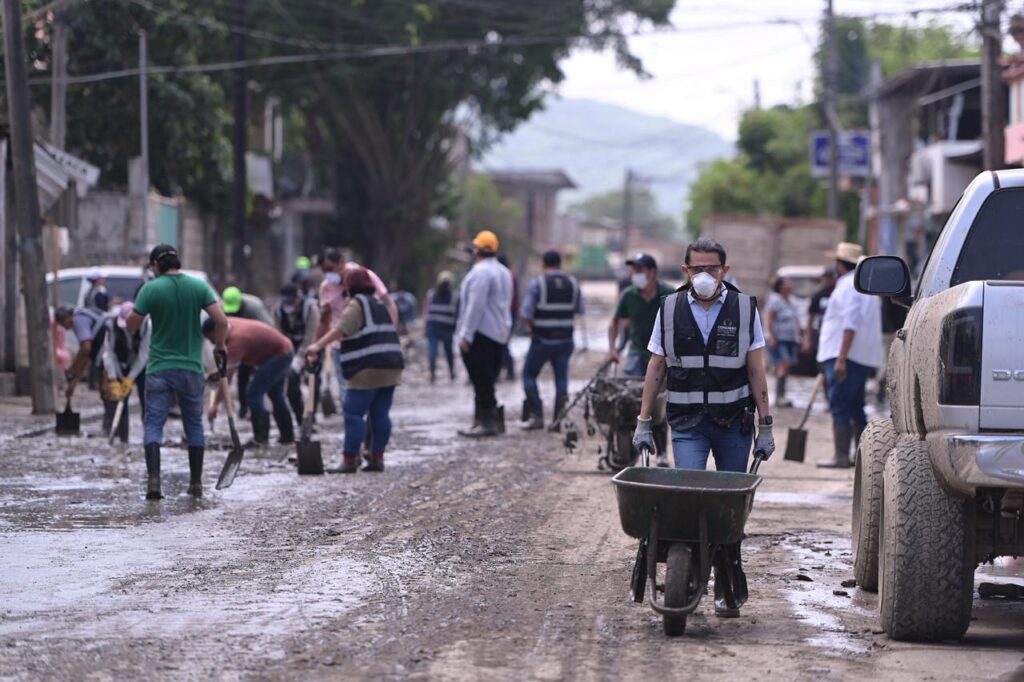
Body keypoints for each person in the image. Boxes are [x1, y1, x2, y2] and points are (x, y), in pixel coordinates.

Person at [632, 237, 774, 618]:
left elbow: (756, 369)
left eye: (713, 268)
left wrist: (766, 425)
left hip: (733, 425)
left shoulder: (745, 309)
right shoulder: (670, 307)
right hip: (687, 423)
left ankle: (727, 584)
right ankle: (691, 574)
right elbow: (656, 367)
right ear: (686, 271)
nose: (706, 275)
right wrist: (644, 421)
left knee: (729, 512)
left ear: (725, 271)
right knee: (689, 500)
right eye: (698, 269)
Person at [125, 244, 228, 500]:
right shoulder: (199, 287)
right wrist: (220, 346)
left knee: (153, 424)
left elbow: (131, 326)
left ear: (156, 266)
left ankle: (154, 482)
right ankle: (195, 484)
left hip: (159, 368)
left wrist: (137, 312)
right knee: (194, 424)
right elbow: (222, 321)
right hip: (192, 368)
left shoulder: (150, 289)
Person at [306, 267, 404, 473]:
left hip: (367, 367)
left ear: (349, 286)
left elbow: (341, 329)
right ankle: (377, 458)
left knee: (353, 413)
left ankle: (349, 460)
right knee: (380, 414)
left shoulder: (357, 304)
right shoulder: (379, 303)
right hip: (391, 365)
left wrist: (316, 346)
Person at [815, 242, 883, 469]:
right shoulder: (864, 285)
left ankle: (841, 455)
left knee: (840, 404)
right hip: (859, 356)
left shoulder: (848, 286)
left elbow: (850, 324)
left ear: (839, 264)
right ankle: (863, 457)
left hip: (845, 355)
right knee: (855, 405)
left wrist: (841, 358)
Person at [316, 248, 398, 401]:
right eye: (324, 271)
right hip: (341, 348)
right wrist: (317, 347)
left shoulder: (363, 277)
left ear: (341, 262)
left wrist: (391, 332)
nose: (328, 274)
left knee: (370, 395)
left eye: (330, 269)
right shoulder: (327, 287)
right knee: (346, 393)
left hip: (368, 345)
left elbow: (389, 303)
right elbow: (325, 322)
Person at [203, 317, 296, 447]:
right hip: (281, 350)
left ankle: (261, 438)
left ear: (218, 331)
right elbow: (225, 370)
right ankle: (287, 437)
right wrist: (219, 372)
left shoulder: (237, 341)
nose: (213, 343)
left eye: (212, 339)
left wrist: (215, 405)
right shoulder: (225, 323)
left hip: (280, 355)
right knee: (276, 395)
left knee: (253, 394)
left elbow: (226, 378)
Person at [456, 230, 513, 438]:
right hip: (498, 333)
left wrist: (466, 335)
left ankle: (486, 422)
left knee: (481, 380)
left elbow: (475, 306)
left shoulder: (479, 273)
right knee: (487, 379)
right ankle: (483, 420)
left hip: (481, 333)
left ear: (477, 250)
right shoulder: (504, 272)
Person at [520, 249, 584, 430]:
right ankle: (557, 421)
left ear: (543, 264)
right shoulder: (572, 283)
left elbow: (526, 313)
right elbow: (580, 309)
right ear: (560, 264)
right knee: (561, 380)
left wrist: (532, 327)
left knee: (528, 375)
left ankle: (537, 416)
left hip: (542, 340)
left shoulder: (538, 284)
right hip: (565, 341)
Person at [608, 253, 675, 377]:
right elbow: (615, 322)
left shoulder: (669, 293)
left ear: (652, 272)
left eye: (639, 270)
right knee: (631, 385)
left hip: (663, 352)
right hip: (637, 351)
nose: (635, 274)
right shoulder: (629, 295)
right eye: (633, 270)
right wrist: (612, 349)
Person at [99, 301, 151, 443]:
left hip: (141, 366)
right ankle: (123, 438)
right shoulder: (112, 326)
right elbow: (109, 354)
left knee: (146, 400)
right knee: (121, 401)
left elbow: (143, 356)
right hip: (122, 364)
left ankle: (149, 439)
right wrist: (113, 378)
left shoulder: (146, 326)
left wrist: (130, 378)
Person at [221, 285, 273, 419]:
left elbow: (269, 329)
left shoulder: (254, 306)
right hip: (239, 345)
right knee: (242, 377)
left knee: (260, 378)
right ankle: (244, 408)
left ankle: (260, 407)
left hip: (259, 344)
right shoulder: (222, 307)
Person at [274, 283, 321, 426]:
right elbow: (279, 334)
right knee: (292, 382)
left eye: (291, 301)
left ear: (298, 297)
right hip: (290, 349)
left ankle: (311, 416)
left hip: (312, 347)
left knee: (314, 382)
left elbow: (311, 335)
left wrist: (301, 357)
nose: (288, 305)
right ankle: (302, 419)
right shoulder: (278, 311)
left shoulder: (310, 309)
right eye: (285, 301)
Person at [764, 276, 802, 408]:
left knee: (786, 366)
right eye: (787, 282)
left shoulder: (792, 301)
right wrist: (771, 336)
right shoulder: (775, 300)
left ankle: (782, 395)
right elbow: (769, 319)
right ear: (780, 286)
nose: (790, 284)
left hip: (790, 338)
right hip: (779, 338)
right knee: (783, 364)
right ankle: (779, 396)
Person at [55, 304, 105, 401]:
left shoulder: (78, 320)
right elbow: (85, 357)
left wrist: (72, 368)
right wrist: (74, 383)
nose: (64, 327)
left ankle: (113, 413)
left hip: (108, 350)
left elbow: (85, 349)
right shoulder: (81, 317)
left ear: (68, 316)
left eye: (63, 323)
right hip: (103, 350)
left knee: (108, 389)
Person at [424, 270, 458, 384]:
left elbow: (426, 312)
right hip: (445, 329)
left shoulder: (431, 294)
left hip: (434, 328)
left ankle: (433, 375)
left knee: (434, 351)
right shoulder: (454, 296)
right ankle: (451, 374)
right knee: (447, 352)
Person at [801, 267, 837, 365]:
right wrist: (808, 338)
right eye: (826, 278)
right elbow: (811, 317)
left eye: (830, 278)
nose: (827, 280)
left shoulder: (839, 293)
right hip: (823, 333)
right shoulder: (819, 295)